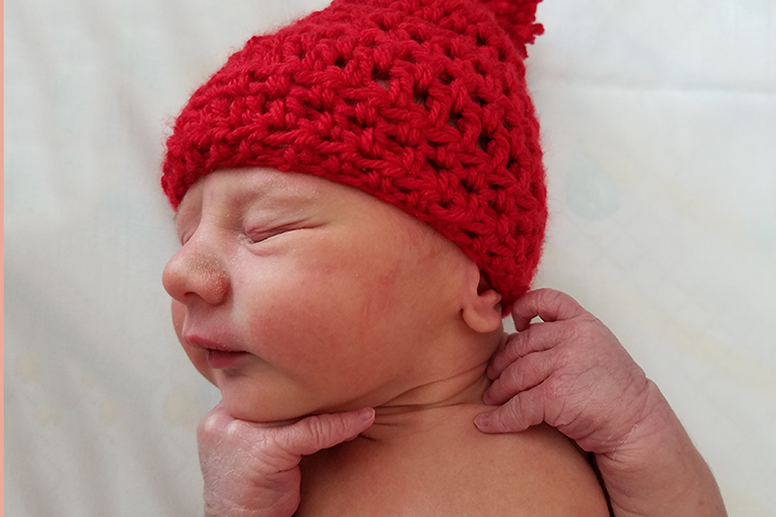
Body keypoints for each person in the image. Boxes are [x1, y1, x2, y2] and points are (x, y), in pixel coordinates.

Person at [159, 0, 726, 514]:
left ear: (479, 285)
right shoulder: (272, 480)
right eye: (186, 238)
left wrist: (637, 426)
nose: (178, 273)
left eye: (265, 230)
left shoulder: (567, 422)